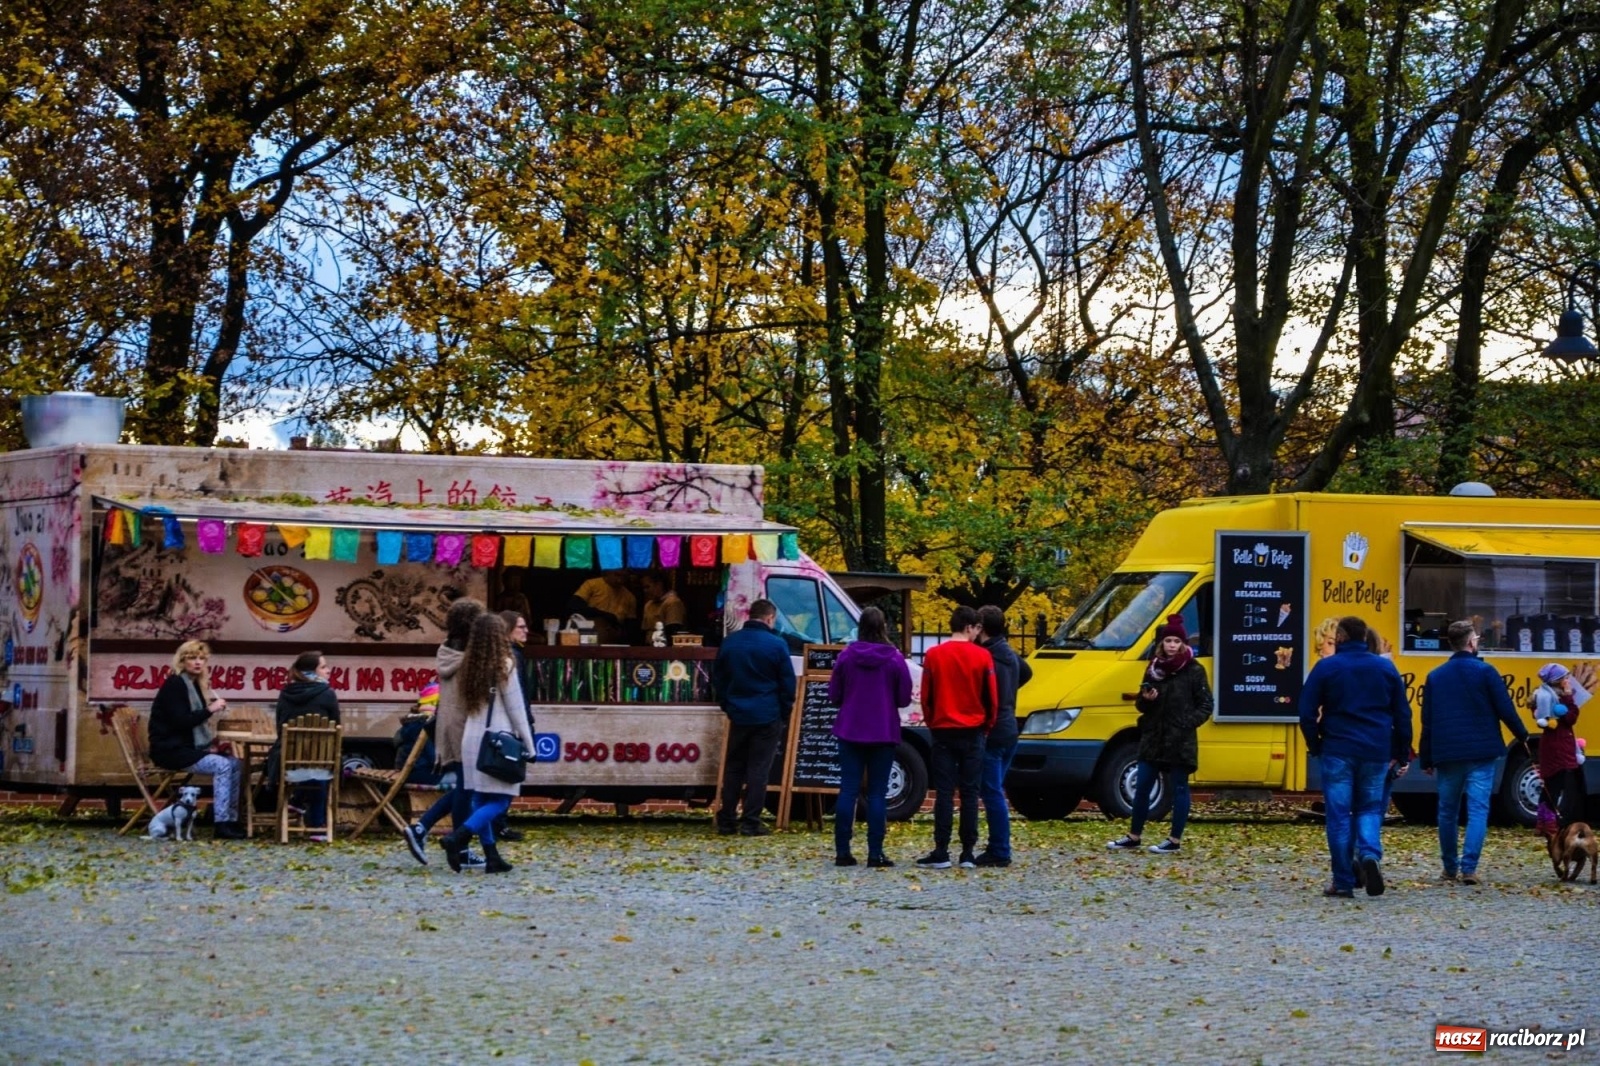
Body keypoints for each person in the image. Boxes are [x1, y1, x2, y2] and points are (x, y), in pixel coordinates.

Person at [1298, 615, 1412, 898]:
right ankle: (1370, 855)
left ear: (1340, 638)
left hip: (1337, 749)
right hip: (1375, 750)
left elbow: (1306, 712)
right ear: (1365, 638)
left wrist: (1316, 745)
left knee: (1338, 816)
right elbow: (1402, 714)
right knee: (1370, 809)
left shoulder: (1326, 668)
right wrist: (1401, 752)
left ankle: (1343, 881)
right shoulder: (1385, 669)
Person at [1418, 621, 1529, 885]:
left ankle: (1449, 868)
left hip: (1447, 753)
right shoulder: (1486, 672)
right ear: (1471, 643)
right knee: (1478, 809)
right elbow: (1505, 709)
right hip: (1481, 752)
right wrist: (1522, 734)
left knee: (1447, 812)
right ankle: (1469, 869)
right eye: (1476, 638)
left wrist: (1426, 756)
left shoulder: (1435, 676)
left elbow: (1428, 720)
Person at [1106, 614, 1212, 855]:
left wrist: (1187, 723)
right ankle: (1134, 835)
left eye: (1176, 641)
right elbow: (1141, 706)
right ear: (1162, 643)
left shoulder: (1194, 670)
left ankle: (1174, 840)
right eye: (1168, 641)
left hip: (1180, 739)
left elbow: (1206, 704)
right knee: (1143, 785)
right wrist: (1146, 699)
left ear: (1183, 643)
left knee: (1179, 788)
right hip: (1153, 736)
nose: (1172, 645)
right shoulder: (1153, 668)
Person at [438, 614, 535, 874]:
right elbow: (516, 709)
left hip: (472, 737)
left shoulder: (468, 665)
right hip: (498, 739)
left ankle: (491, 856)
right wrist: (530, 743)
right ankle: (458, 837)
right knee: (501, 801)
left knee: (479, 800)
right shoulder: (505, 664)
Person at [402, 598, 486, 868]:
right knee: (468, 786)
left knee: (466, 785)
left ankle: (425, 830)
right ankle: (453, 844)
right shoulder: (472, 657)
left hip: (448, 724)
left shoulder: (448, 651)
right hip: (466, 724)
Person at [829, 608, 913, 868]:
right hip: (882, 731)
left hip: (851, 729)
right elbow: (904, 697)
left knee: (849, 790)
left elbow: (834, 694)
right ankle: (875, 852)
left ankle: (843, 850)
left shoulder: (847, 656)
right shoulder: (894, 659)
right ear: (884, 627)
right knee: (877, 794)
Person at [917, 606, 997, 870]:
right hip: (973, 730)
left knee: (943, 792)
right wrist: (986, 726)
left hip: (942, 729)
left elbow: (926, 695)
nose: (977, 634)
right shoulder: (983, 657)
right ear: (969, 627)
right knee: (970, 793)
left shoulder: (934, 655)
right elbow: (991, 698)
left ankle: (941, 849)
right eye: (976, 629)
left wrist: (933, 722)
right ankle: (967, 851)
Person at [711, 599, 797, 836]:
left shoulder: (730, 643)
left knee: (734, 768)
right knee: (758, 769)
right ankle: (751, 822)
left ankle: (727, 819)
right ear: (770, 618)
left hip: (739, 713)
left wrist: (727, 704)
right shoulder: (777, 645)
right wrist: (784, 711)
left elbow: (718, 678)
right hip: (767, 714)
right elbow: (787, 684)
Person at [147, 640, 245, 840]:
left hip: (186, 747)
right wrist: (210, 709)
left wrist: (208, 742)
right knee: (222, 766)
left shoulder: (194, 685)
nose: (198, 662)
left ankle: (232, 820)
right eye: (192, 658)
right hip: (170, 749)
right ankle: (221, 823)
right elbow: (181, 721)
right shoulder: (175, 684)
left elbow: (192, 723)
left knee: (235, 763)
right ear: (182, 661)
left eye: (201, 658)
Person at [974, 605, 1032, 867]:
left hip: (994, 730)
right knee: (995, 788)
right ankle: (998, 846)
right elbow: (1027, 672)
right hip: (1010, 727)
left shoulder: (987, 657)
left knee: (991, 791)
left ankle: (999, 849)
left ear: (982, 629)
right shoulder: (1007, 652)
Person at [273, 650, 341, 842]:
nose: (328, 670)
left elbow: (280, 725)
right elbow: (336, 725)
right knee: (318, 766)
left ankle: (296, 801)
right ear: (312, 671)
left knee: (312, 765)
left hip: (289, 763)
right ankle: (317, 826)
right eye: (323, 666)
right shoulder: (328, 694)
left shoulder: (285, 693)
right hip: (321, 762)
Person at [1535, 663, 1587, 827]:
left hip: (1551, 746)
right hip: (1560, 748)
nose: (1568, 680)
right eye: (1565, 678)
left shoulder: (1544, 696)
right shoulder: (1561, 699)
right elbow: (1571, 717)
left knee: (1549, 785)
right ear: (1558, 681)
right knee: (1556, 786)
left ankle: (1542, 820)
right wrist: (1569, 696)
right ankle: (1550, 823)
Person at [570, 570, 638, 642]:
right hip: (591, 628)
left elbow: (630, 625)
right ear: (607, 573)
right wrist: (604, 615)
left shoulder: (630, 597)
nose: (620, 580)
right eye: (617, 575)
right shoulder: (592, 584)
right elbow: (574, 606)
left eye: (624, 577)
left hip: (614, 634)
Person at [640, 571, 688, 641]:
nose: (645, 591)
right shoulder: (648, 605)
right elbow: (644, 631)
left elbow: (672, 632)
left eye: (648, 587)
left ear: (659, 585)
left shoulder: (673, 603)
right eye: (644, 588)